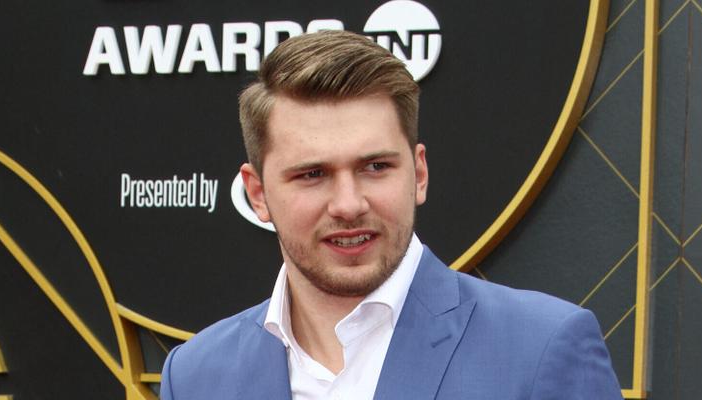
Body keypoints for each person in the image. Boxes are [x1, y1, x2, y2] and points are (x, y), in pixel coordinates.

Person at [160, 30, 622, 400]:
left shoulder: (540, 349)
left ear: (418, 173)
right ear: (257, 193)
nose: (348, 204)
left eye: (376, 167)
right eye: (312, 174)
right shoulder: (197, 376)